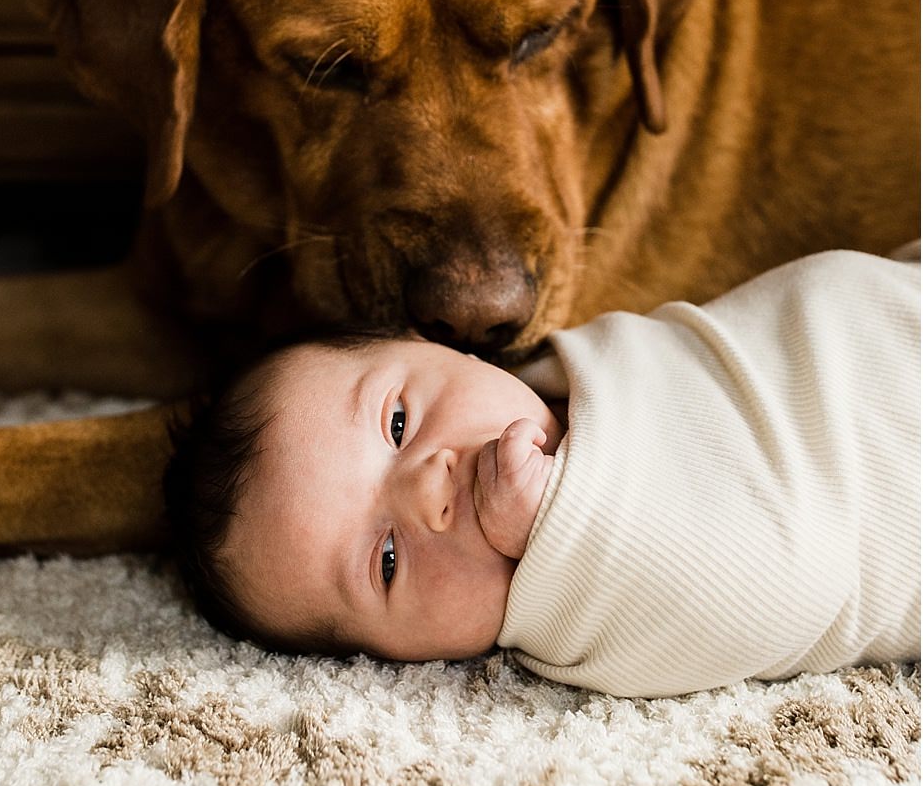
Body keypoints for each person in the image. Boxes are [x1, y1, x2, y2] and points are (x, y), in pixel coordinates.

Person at [163, 249, 918, 696]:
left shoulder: (566, 369)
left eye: (397, 424)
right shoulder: (590, 627)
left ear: (443, 348)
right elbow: (789, 582)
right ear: (393, 660)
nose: (429, 487)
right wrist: (564, 522)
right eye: (386, 561)